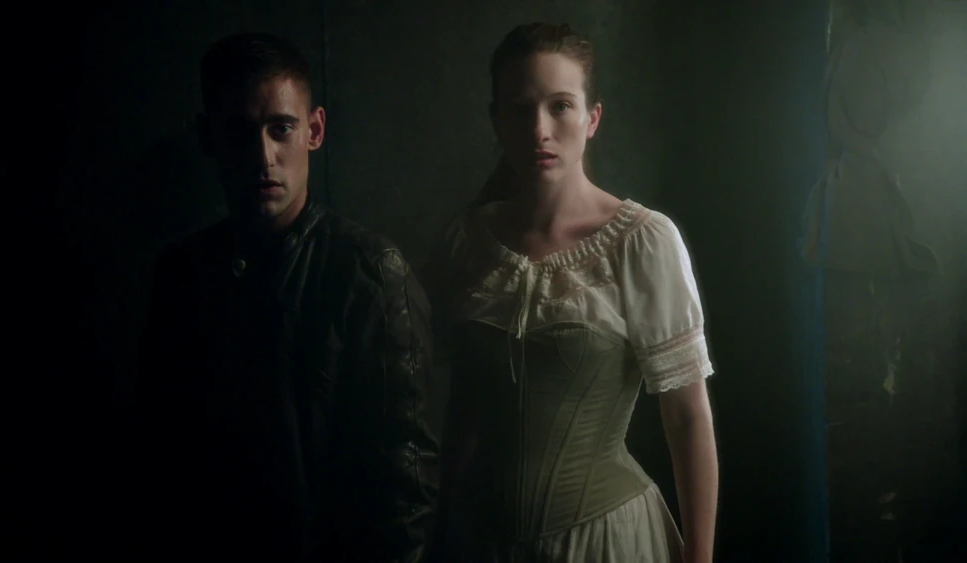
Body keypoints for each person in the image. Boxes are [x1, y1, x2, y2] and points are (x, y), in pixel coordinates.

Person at [135, 33, 439, 561]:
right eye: (239, 132)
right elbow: (162, 457)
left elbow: (405, 485)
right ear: (208, 137)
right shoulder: (181, 275)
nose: (264, 156)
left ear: (314, 130)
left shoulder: (370, 272)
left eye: (282, 128)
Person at [424, 23, 719, 563]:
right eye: (519, 110)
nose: (539, 129)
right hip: (480, 539)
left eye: (560, 106)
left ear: (592, 118)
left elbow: (687, 417)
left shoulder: (641, 241)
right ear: (496, 120)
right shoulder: (465, 240)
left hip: (605, 540)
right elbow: (463, 408)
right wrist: (442, 530)